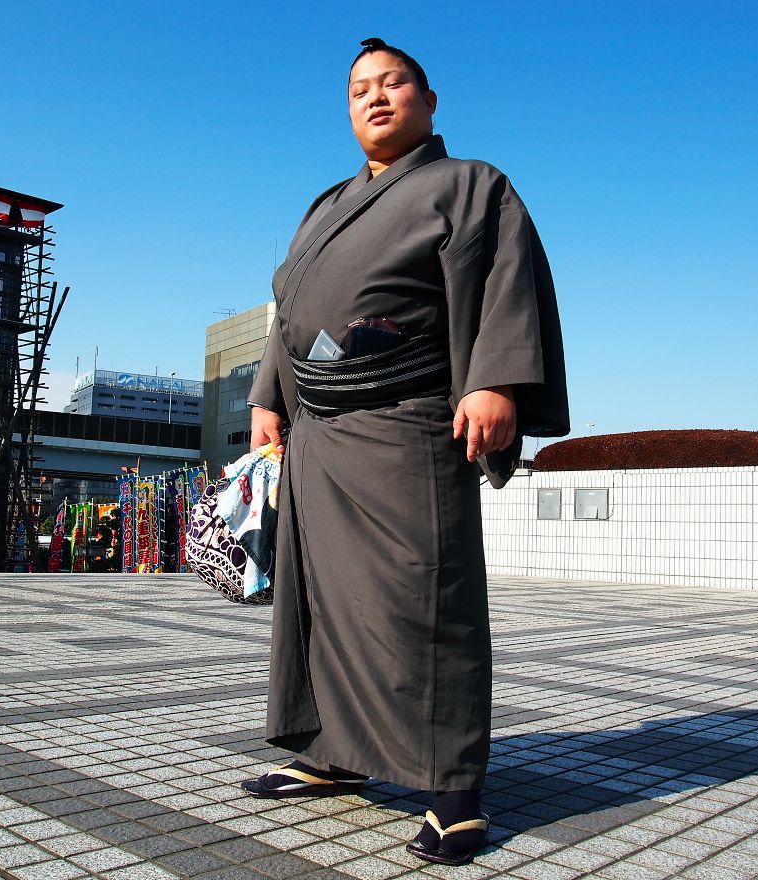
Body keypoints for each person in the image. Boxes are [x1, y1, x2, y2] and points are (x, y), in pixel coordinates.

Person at [242, 37, 569, 866]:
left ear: (429, 100)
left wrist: (494, 381)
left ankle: (454, 791)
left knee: (425, 602)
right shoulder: (326, 203)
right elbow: (289, 309)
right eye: (359, 90)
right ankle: (333, 752)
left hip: (408, 422)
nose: (375, 98)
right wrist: (266, 398)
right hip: (319, 432)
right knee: (324, 604)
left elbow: (504, 282)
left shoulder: (471, 184)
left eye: (393, 84)